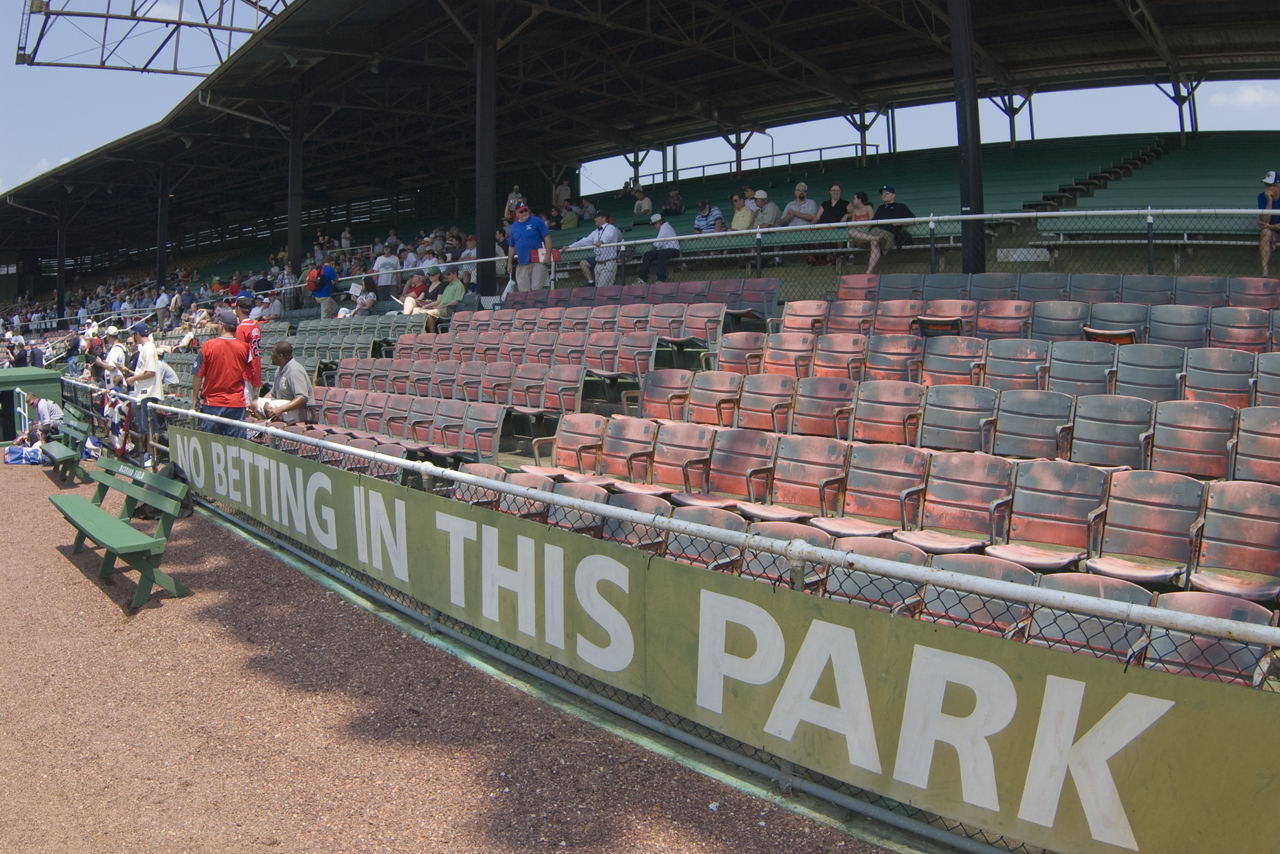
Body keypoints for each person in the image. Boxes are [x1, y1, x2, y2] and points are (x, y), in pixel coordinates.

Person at [191, 310, 250, 439]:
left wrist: (195, 398)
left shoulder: (208, 346)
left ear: (221, 325)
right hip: (236, 403)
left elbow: (198, 375)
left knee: (211, 445)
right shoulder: (245, 347)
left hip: (213, 402)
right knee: (237, 447)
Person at [853, 185, 916, 274]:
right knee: (851, 232)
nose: (884, 195)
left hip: (888, 233)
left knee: (874, 243)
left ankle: (868, 271)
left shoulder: (900, 206)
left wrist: (901, 223)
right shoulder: (880, 208)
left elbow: (914, 220)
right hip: (873, 233)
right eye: (882, 193)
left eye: (887, 192)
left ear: (893, 195)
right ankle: (875, 238)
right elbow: (873, 223)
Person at [125, 321, 163, 462]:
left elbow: (150, 372)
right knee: (147, 426)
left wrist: (133, 378)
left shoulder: (148, 348)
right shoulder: (146, 348)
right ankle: (149, 453)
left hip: (149, 392)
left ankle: (153, 456)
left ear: (137, 334)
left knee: (151, 426)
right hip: (144, 392)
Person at [258, 342, 313, 425]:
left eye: (273, 352)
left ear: (280, 356)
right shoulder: (279, 370)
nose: (271, 355)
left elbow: (302, 398)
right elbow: (272, 393)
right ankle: (265, 432)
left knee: (268, 406)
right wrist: (260, 402)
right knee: (254, 404)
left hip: (300, 411)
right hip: (285, 407)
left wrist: (280, 409)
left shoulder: (294, 371)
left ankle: (282, 431)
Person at [567, 210, 623, 287]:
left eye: (597, 217)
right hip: (598, 264)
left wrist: (602, 241)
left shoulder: (611, 228)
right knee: (600, 290)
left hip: (608, 263)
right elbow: (585, 241)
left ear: (603, 218)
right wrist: (570, 247)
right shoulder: (596, 232)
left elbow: (608, 237)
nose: (594, 219)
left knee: (601, 289)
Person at [507, 204, 552, 292]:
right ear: (517, 213)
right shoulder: (513, 227)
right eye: (521, 211)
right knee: (523, 292)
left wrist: (548, 255)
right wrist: (509, 263)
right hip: (522, 263)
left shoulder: (537, 221)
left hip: (538, 261)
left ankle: (539, 306)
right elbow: (511, 246)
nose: (524, 213)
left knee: (537, 290)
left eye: (526, 210)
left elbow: (547, 238)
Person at [635, 213, 680, 283]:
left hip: (674, 250)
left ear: (658, 223)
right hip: (665, 251)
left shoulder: (665, 227)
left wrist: (651, 250)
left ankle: (661, 279)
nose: (654, 227)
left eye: (654, 225)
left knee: (661, 253)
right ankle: (642, 278)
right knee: (647, 254)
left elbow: (657, 243)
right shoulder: (664, 228)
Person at [234, 295, 263, 402]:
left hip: (246, 372)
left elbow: (239, 353)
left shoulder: (241, 328)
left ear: (239, 309)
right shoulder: (255, 325)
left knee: (246, 410)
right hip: (255, 369)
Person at [1260, 171, 1280, 276]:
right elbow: (1264, 221)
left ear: (1277, 187)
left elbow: (1267, 224)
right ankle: (1265, 273)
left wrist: (1270, 226)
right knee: (1265, 232)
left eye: (1269, 185)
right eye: (1265, 184)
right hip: (1273, 232)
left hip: (1274, 227)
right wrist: (1269, 201)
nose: (1266, 187)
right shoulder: (1262, 197)